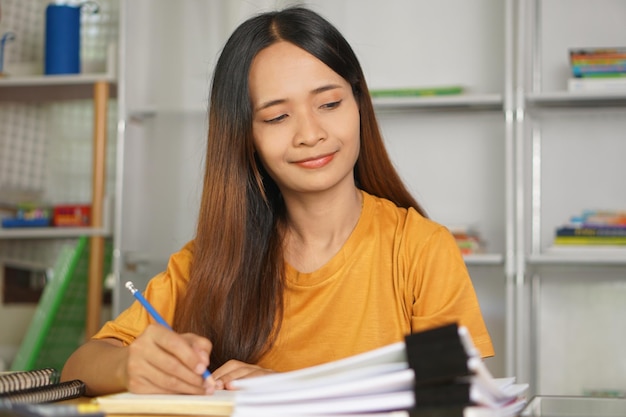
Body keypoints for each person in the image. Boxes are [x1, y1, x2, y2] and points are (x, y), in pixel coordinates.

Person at [61, 6, 494, 397]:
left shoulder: (419, 248)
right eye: (277, 116)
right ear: (245, 136)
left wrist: (295, 391)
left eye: (329, 103)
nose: (310, 133)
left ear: (359, 103)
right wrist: (130, 365)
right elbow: (78, 367)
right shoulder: (207, 263)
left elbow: (453, 395)